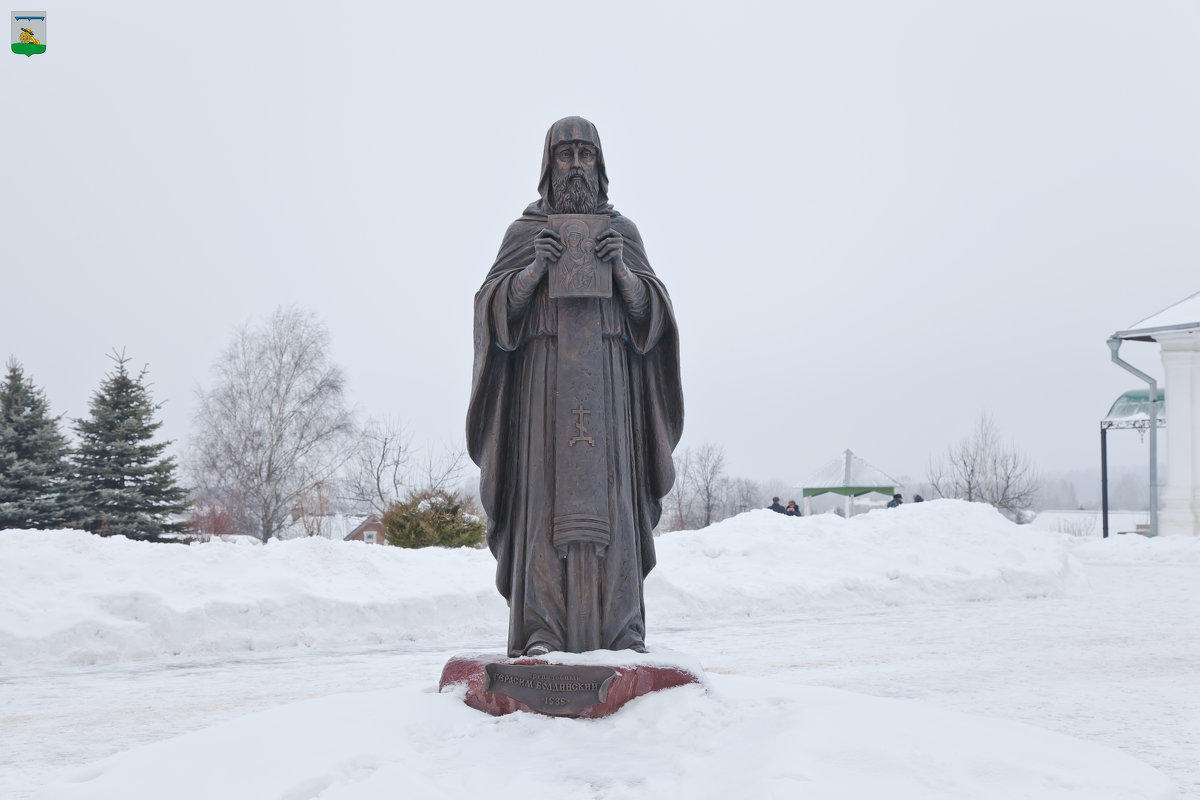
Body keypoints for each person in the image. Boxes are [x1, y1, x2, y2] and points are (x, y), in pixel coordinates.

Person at [467, 117, 683, 658]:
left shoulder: (622, 233)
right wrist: (532, 272)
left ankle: (621, 633)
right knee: (543, 508)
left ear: (601, 165)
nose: (578, 165)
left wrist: (625, 277)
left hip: (610, 395)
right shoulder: (524, 234)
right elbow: (491, 314)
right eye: (566, 154)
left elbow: (655, 320)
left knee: (612, 508)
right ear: (548, 166)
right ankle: (542, 634)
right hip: (542, 398)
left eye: (587, 154)